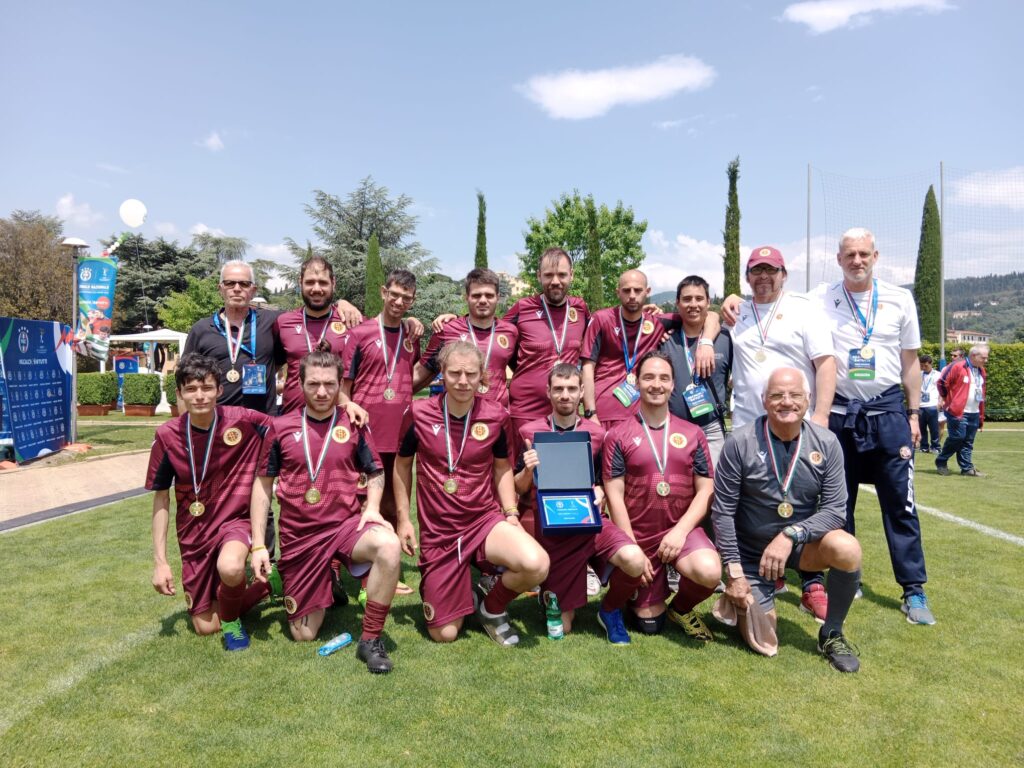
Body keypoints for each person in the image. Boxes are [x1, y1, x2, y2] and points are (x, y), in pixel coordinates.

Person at [809, 227, 935, 625]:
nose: (857, 260)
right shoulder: (819, 298)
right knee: (838, 504)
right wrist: (731, 303)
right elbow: (776, 299)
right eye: (850, 254)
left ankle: (913, 590)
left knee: (901, 504)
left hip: (888, 413)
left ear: (875, 256)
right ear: (839, 259)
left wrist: (913, 414)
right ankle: (848, 574)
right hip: (840, 414)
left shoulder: (899, 299)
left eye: (864, 254)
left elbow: (910, 362)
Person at [250, 351, 402, 674]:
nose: (322, 392)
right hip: (300, 537)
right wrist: (259, 544)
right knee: (304, 634)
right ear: (299, 383)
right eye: (314, 384)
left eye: (330, 384)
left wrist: (374, 507)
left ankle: (370, 639)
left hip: (344, 527)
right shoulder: (280, 427)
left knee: (389, 546)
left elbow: (375, 471)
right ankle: (327, 581)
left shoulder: (354, 423)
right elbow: (263, 486)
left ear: (339, 385)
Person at [394, 341, 549, 646]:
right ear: (442, 373)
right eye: (455, 373)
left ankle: (491, 607)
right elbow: (401, 466)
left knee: (537, 564)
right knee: (445, 634)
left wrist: (511, 513)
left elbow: (502, 469)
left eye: (471, 374)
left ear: (482, 376)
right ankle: (456, 585)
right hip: (439, 532)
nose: (463, 381)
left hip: (482, 521)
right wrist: (403, 518)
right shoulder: (418, 412)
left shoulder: (496, 415)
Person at [711, 367, 863, 672]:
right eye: (777, 395)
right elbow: (723, 510)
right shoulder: (740, 442)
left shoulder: (827, 443)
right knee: (765, 640)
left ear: (807, 399)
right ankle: (751, 595)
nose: (786, 402)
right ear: (764, 400)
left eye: (794, 395)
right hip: (752, 554)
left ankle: (832, 632)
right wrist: (734, 571)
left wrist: (791, 534)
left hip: (799, 548)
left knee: (847, 548)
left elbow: (836, 510)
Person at [145, 353, 276, 651]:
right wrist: (160, 562)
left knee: (230, 567)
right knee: (205, 627)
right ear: (179, 394)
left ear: (219, 390)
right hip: (194, 533)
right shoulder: (167, 436)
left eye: (206, 387)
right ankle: (267, 585)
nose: (200, 396)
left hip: (234, 522)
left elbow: (290, 427)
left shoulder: (244, 420)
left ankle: (232, 623)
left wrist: (345, 406)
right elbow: (161, 498)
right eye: (191, 389)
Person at [514, 362, 647, 640]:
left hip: (589, 520)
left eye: (572, 389)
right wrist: (527, 470)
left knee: (634, 559)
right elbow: (518, 487)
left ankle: (609, 610)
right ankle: (553, 592)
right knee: (562, 627)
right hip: (552, 529)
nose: (565, 395)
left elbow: (604, 481)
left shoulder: (597, 435)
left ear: (582, 391)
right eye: (559, 389)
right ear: (548, 391)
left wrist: (600, 491)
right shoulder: (528, 432)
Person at [602, 351, 721, 641]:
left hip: (680, 531)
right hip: (639, 534)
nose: (656, 384)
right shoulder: (618, 434)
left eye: (664, 378)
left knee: (709, 572)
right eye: (649, 377)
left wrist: (680, 532)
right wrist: (632, 546)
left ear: (673, 384)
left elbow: (706, 489)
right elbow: (614, 495)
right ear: (637, 382)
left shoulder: (693, 433)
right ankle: (619, 600)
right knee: (650, 624)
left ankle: (680, 608)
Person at [341, 269, 421, 543]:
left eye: (406, 298)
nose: (399, 302)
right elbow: (344, 390)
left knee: (393, 505)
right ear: (383, 292)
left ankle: (390, 561)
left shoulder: (411, 337)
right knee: (361, 503)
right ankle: (355, 561)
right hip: (365, 433)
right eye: (394, 295)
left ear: (412, 300)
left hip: (399, 435)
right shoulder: (359, 334)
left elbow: (411, 377)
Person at [726, 247, 836, 430]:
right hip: (747, 424)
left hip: (796, 423)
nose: (763, 275)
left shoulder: (805, 309)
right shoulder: (735, 313)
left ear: (783, 275)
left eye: (771, 269)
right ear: (747, 277)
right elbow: (707, 321)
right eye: (756, 270)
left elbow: (826, 363)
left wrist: (821, 415)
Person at [580, 270, 676, 428]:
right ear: (618, 292)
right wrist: (590, 413)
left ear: (647, 291)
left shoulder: (657, 322)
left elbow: (702, 316)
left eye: (637, 290)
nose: (632, 295)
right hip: (603, 414)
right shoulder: (601, 319)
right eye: (626, 290)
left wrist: (706, 341)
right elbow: (587, 367)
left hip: (642, 416)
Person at [414, 268, 518, 408]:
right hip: (456, 415)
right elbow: (421, 372)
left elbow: (523, 371)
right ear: (466, 297)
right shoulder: (447, 330)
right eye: (476, 295)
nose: (483, 300)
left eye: (489, 295)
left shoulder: (510, 332)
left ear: (497, 297)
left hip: (497, 414)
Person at [661, 275, 732, 467]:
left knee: (713, 484)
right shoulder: (665, 340)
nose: (693, 304)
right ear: (677, 303)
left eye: (699, 298)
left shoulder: (725, 339)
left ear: (708, 302)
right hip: (674, 428)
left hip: (712, 431)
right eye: (687, 299)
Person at [936, 344, 989, 477]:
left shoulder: (981, 370)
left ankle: (966, 468)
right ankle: (941, 462)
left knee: (968, 441)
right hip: (958, 411)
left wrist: (981, 414)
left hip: (974, 412)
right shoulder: (957, 366)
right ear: (973, 356)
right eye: (983, 358)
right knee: (957, 438)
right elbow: (942, 382)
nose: (986, 360)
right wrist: (947, 399)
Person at [918, 354, 941, 453]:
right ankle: (924, 446)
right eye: (921, 365)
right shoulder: (919, 374)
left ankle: (935, 447)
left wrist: (940, 402)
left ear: (931, 364)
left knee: (934, 428)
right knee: (921, 428)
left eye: (925, 365)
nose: (923, 367)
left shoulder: (938, 375)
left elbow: (941, 390)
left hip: (932, 405)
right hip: (920, 405)